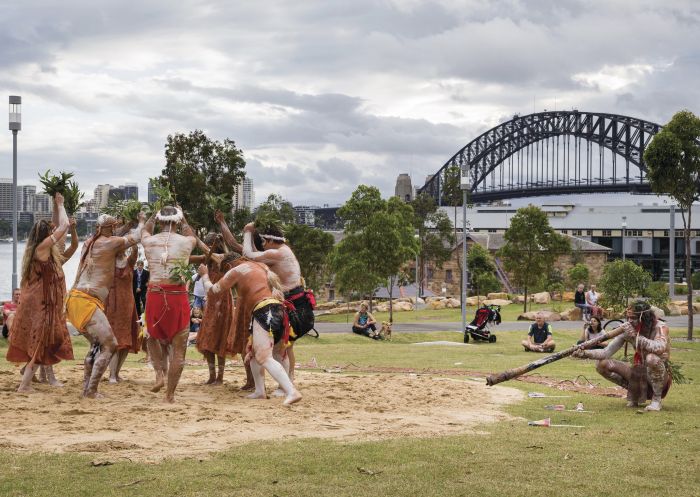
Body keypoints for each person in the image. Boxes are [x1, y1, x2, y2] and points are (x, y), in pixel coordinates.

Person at [198, 254, 301, 405]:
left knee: (264, 357)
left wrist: (205, 276)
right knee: (253, 353)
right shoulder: (261, 266)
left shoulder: (237, 270)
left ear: (228, 266)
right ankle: (260, 391)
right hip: (277, 309)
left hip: (265, 310)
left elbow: (213, 290)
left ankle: (291, 391)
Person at [65, 211, 145, 398]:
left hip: (74, 300)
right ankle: (91, 390)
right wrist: (141, 221)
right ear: (109, 229)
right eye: (114, 227)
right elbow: (137, 237)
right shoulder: (109, 243)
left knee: (96, 345)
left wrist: (124, 225)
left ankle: (87, 388)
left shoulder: (90, 243)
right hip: (87, 301)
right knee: (110, 345)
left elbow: (117, 238)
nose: (117, 229)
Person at [6, 193, 73, 392]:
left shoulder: (40, 248)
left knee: (41, 342)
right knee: (40, 342)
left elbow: (57, 225)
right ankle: (24, 385)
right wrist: (61, 205)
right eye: (50, 231)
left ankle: (27, 381)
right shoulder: (42, 249)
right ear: (46, 235)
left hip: (39, 302)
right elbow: (64, 226)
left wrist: (55, 206)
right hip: (40, 304)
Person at [241, 221, 313, 384]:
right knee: (284, 346)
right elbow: (254, 254)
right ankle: (288, 381)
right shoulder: (282, 250)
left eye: (265, 243)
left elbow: (248, 255)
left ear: (272, 241)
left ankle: (287, 383)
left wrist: (246, 232)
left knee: (282, 347)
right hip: (294, 302)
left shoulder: (278, 254)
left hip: (293, 305)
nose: (264, 246)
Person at [141, 206, 198, 403]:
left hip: (155, 294)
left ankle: (159, 374)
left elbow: (145, 230)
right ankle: (170, 396)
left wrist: (151, 216)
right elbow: (192, 234)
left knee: (151, 337)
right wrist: (183, 218)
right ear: (177, 220)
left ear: (159, 220)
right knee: (179, 349)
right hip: (176, 295)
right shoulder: (186, 242)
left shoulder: (149, 241)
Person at [573, 300, 671, 411]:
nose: (630, 321)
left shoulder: (660, 327)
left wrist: (636, 337)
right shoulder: (629, 330)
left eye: (633, 318)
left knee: (651, 359)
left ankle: (656, 400)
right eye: (628, 317)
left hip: (660, 376)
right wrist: (585, 353)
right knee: (602, 364)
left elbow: (659, 348)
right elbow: (605, 352)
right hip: (639, 372)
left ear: (644, 317)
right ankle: (635, 393)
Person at [194, 233, 233, 385]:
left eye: (210, 246)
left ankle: (220, 377)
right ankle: (211, 375)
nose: (208, 249)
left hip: (223, 302)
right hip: (210, 302)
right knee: (207, 338)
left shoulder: (224, 259)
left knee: (220, 337)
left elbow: (224, 255)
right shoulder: (206, 262)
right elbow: (193, 257)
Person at [105, 242, 140, 384]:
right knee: (114, 341)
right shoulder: (108, 262)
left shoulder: (129, 262)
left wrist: (135, 237)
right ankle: (111, 374)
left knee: (126, 341)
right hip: (112, 304)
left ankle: (117, 373)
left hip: (127, 304)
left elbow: (135, 252)